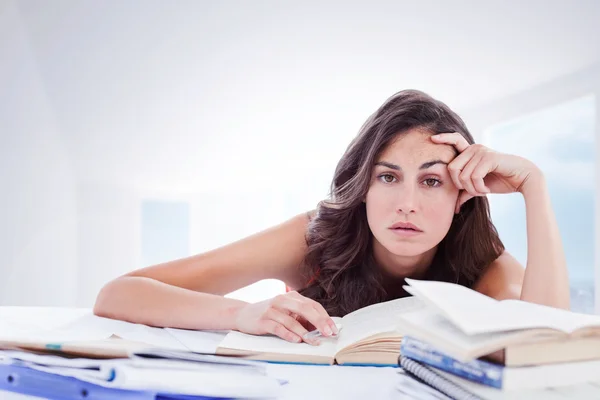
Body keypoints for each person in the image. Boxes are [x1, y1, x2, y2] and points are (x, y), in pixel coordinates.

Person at [93, 89, 570, 346]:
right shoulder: (316, 237)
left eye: (430, 181)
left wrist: (534, 186)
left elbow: (547, 346)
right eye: (387, 178)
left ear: (461, 196)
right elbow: (119, 293)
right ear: (362, 187)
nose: (407, 203)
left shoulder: (481, 257)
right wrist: (241, 314)